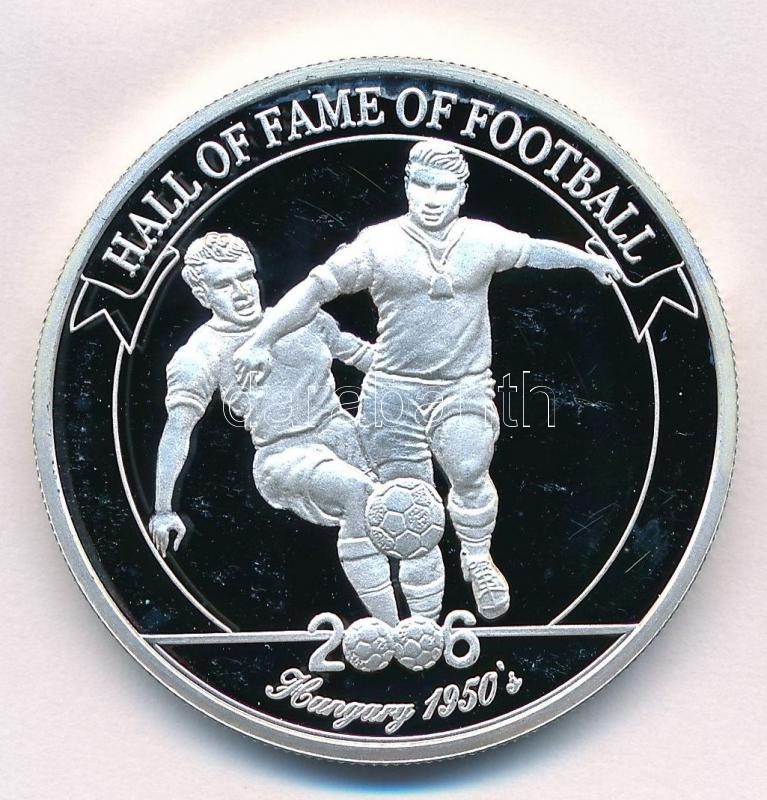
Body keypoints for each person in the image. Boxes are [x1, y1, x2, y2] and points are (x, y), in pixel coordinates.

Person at [233, 138, 625, 620]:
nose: (433, 197)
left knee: (468, 467)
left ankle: (477, 559)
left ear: (462, 193)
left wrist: (587, 261)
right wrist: (261, 340)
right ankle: (425, 621)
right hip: (391, 393)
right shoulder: (378, 244)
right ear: (407, 186)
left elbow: (534, 251)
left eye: (444, 187)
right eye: (423, 184)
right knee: (409, 507)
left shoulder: (483, 239)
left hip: (462, 387)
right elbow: (314, 290)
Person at [149, 232, 418, 627]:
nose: (241, 292)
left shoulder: (299, 317)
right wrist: (162, 509)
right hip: (284, 457)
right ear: (203, 294)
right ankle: (393, 630)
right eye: (224, 284)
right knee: (358, 492)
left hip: (343, 434)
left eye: (245, 277)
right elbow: (177, 430)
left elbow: (363, 356)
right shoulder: (201, 354)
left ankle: (425, 615)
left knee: (410, 490)